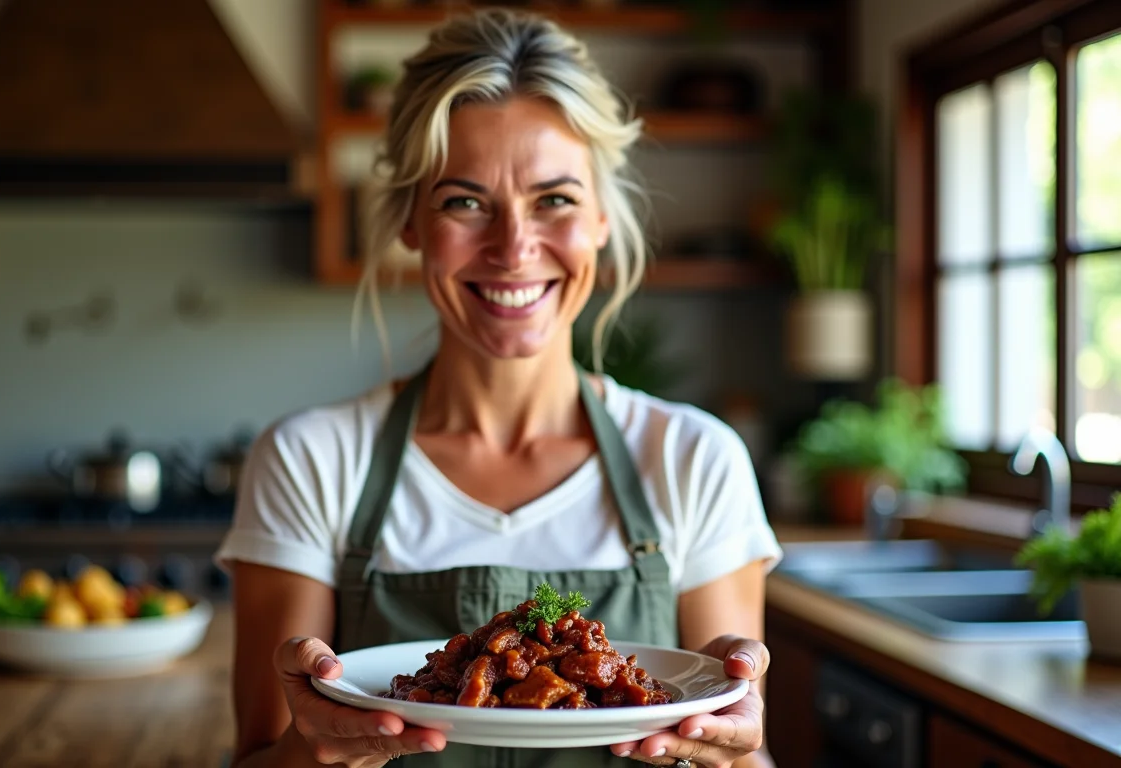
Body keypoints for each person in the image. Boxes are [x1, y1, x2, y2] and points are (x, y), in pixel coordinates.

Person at [215, 8, 783, 768]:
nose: (514, 248)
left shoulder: (693, 459)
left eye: (554, 199)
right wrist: (312, 750)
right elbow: (257, 757)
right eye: (465, 201)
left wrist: (735, 751)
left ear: (602, 219)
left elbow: (749, 757)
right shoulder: (311, 459)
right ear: (412, 220)